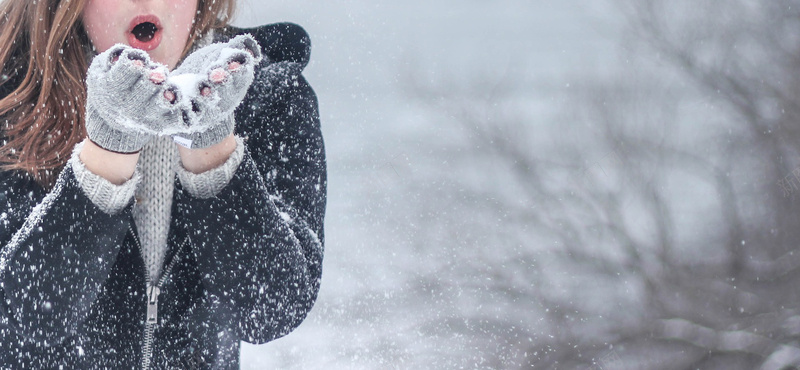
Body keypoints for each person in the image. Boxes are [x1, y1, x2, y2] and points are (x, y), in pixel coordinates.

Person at [0, 0, 326, 368]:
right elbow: (24, 318)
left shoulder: (269, 96)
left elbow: (270, 311)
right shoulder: (12, 103)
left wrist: (213, 145)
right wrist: (107, 151)